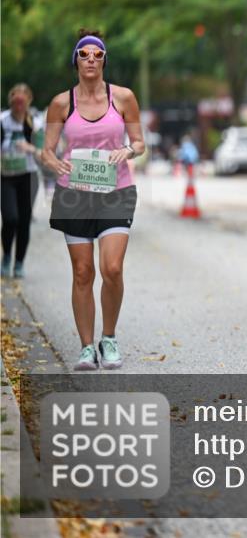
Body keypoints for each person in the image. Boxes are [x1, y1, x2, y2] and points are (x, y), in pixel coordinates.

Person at [40, 29, 146, 371]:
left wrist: (127, 151)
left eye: (97, 55)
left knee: (111, 268)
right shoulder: (60, 103)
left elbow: (140, 142)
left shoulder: (124, 98)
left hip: (116, 192)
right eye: (84, 54)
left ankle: (109, 338)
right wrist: (56, 163)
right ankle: (87, 347)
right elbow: (47, 151)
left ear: (104, 60)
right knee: (83, 272)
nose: (91, 60)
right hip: (75, 196)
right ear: (75, 60)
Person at [1, 84, 41, 278]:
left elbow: (43, 153)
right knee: (10, 218)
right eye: (15, 102)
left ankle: (19, 263)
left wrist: (30, 148)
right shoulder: (2, 121)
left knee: (24, 221)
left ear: (28, 102)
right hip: (6, 176)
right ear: (11, 101)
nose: (19, 106)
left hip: (28, 176)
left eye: (22, 102)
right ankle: (7, 255)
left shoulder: (34, 122)